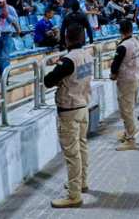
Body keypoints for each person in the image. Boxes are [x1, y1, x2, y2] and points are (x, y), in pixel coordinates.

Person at [43, 22, 93, 208]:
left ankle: (74, 195)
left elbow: (48, 81)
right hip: (83, 105)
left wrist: (56, 66)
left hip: (69, 110)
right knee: (82, 147)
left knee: (72, 154)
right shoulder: (87, 55)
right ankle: (81, 182)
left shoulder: (68, 60)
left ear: (66, 39)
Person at [110, 19, 139, 151]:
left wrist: (113, 74)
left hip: (126, 81)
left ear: (120, 30)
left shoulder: (123, 46)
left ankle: (131, 140)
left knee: (126, 111)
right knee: (130, 108)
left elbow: (115, 65)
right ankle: (128, 132)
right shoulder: (136, 41)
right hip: (136, 77)